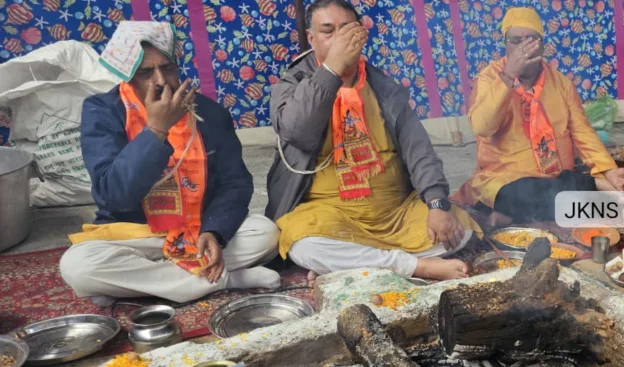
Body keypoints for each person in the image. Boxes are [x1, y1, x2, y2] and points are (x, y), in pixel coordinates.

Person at [60, 22, 280, 306]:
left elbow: (235, 184)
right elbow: (113, 196)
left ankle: (138, 285)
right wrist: (155, 131)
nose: (160, 81)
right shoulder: (103, 111)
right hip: (135, 236)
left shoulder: (210, 113)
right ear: (126, 74)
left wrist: (214, 232)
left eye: (167, 68)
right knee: (78, 266)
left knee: (265, 233)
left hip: (196, 231)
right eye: (145, 73)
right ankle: (221, 281)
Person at [267, 0, 481, 281]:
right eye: (328, 31)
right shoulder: (291, 83)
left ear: (361, 33)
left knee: (459, 230)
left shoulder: (383, 86)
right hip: (331, 214)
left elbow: (419, 150)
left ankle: (349, 264)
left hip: (396, 212)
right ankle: (415, 267)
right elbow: (298, 132)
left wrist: (437, 204)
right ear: (311, 38)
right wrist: (331, 70)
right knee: (302, 244)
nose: (339, 38)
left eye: (346, 29)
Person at [461, 7, 624, 223]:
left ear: (543, 45)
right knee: (512, 194)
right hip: (505, 180)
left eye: (531, 40)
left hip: (556, 177)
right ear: (505, 44)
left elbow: (583, 133)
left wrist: (608, 169)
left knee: (555, 194)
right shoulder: (489, 79)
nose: (523, 48)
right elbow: (481, 127)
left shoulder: (561, 84)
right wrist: (508, 76)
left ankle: (514, 215)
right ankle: (594, 186)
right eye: (515, 41)